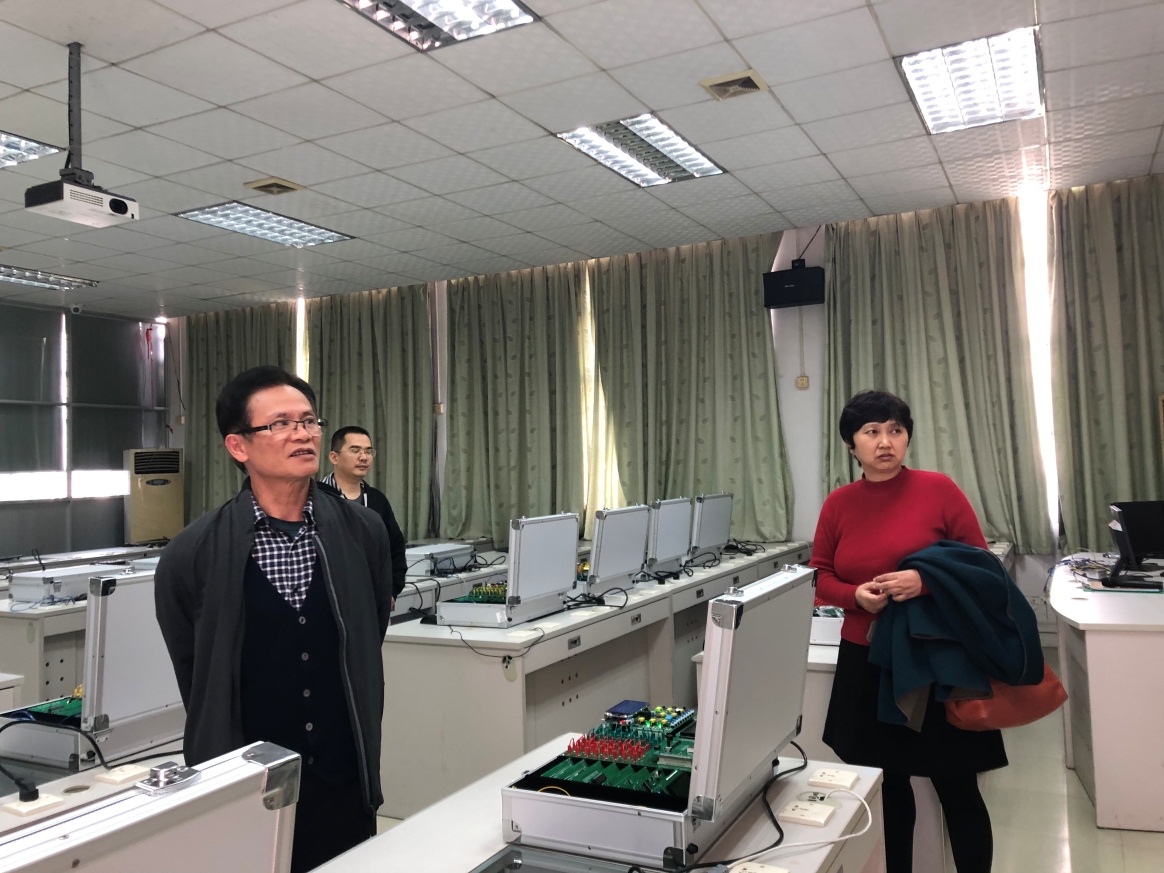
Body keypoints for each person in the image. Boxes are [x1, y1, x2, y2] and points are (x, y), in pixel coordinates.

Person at [155, 366, 393, 873]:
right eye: (280, 424)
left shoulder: (363, 532)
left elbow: (368, 632)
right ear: (238, 446)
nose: (302, 434)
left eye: (308, 421)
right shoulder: (193, 552)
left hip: (342, 772)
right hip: (246, 784)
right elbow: (196, 670)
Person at [811, 390, 1004, 873]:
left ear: (907, 438)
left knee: (957, 785)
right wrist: (855, 595)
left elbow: (981, 566)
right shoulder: (839, 504)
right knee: (889, 785)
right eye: (872, 432)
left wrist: (925, 581)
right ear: (851, 444)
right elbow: (819, 576)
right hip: (869, 660)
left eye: (895, 430)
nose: (885, 442)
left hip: (936, 659)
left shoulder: (939, 490)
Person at [319, 425, 407, 596]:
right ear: (334, 457)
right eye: (355, 450)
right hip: (330, 598)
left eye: (368, 451)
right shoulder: (317, 498)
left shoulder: (376, 500)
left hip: (373, 597)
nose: (363, 457)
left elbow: (395, 548)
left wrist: (392, 591)